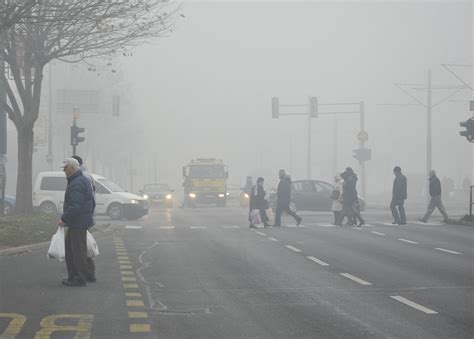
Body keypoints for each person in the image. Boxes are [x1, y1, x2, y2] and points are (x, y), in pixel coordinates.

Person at [59, 158, 95, 286]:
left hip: (77, 222)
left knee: (76, 251)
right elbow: (92, 202)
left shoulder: (77, 183)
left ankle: (79, 278)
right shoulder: (81, 180)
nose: (64, 171)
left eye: (65, 168)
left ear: (73, 168)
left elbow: (75, 205)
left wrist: (64, 218)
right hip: (80, 221)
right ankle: (82, 275)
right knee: (75, 249)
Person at [71, 155, 96, 282]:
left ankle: (84, 274)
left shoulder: (81, 178)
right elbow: (93, 199)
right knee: (84, 246)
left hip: (81, 218)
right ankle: (89, 273)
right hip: (87, 216)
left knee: (80, 247)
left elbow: (78, 202)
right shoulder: (88, 176)